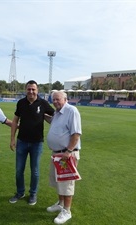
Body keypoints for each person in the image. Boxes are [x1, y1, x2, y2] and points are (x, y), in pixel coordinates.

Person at [9, 80, 55, 205]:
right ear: (26, 90)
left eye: (33, 89)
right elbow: (15, 121)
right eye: (29, 89)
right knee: (19, 170)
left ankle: (33, 194)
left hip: (37, 143)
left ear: (37, 90)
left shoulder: (43, 103)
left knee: (35, 170)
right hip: (22, 142)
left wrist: (47, 118)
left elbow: (56, 116)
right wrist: (12, 139)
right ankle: (20, 192)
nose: (31, 91)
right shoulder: (21, 103)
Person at [46, 90, 82, 224]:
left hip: (67, 154)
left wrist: (68, 151)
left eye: (58, 99)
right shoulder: (57, 112)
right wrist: (40, 115)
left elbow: (76, 134)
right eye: (53, 99)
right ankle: (60, 204)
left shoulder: (72, 111)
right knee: (58, 181)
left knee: (67, 183)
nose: (55, 102)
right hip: (57, 154)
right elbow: (52, 121)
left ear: (65, 99)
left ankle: (67, 210)